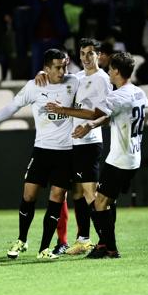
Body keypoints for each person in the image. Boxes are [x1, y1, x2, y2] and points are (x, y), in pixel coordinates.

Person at [0, 48, 79, 260]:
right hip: (41, 151)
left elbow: (92, 81)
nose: (62, 71)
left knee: (57, 198)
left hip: (65, 152)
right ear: (46, 68)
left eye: (64, 66)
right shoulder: (34, 86)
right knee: (28, 195)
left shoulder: (74, 82)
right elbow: (11, 107)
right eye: (57, 67)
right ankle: (22, 240)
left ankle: (44, 249)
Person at [46, 52, 148, 258]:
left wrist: (85, 123)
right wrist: (94, 123)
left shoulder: (116, 95)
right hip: (133, 157)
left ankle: (110, 248)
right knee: (106, 201)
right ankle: (104, 246)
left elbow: (96, 113)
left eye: (110, 68)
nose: (108, 71)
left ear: (117, 71)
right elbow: (109, 116)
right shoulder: (139, 93)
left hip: (119, 159)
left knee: (99, 203)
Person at [35, 39, 113, 255]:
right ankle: (83, 239)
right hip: (74, 143)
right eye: (83, 53)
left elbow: (100, 114)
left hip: (89, 142)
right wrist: (41, 74)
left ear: (99, 56)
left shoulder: (102, 80)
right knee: (78, 192)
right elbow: (58, 80)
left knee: (91, 193)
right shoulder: (78, 77)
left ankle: (106, 242)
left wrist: (64, 111)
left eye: (91, 53)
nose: (86, 58)